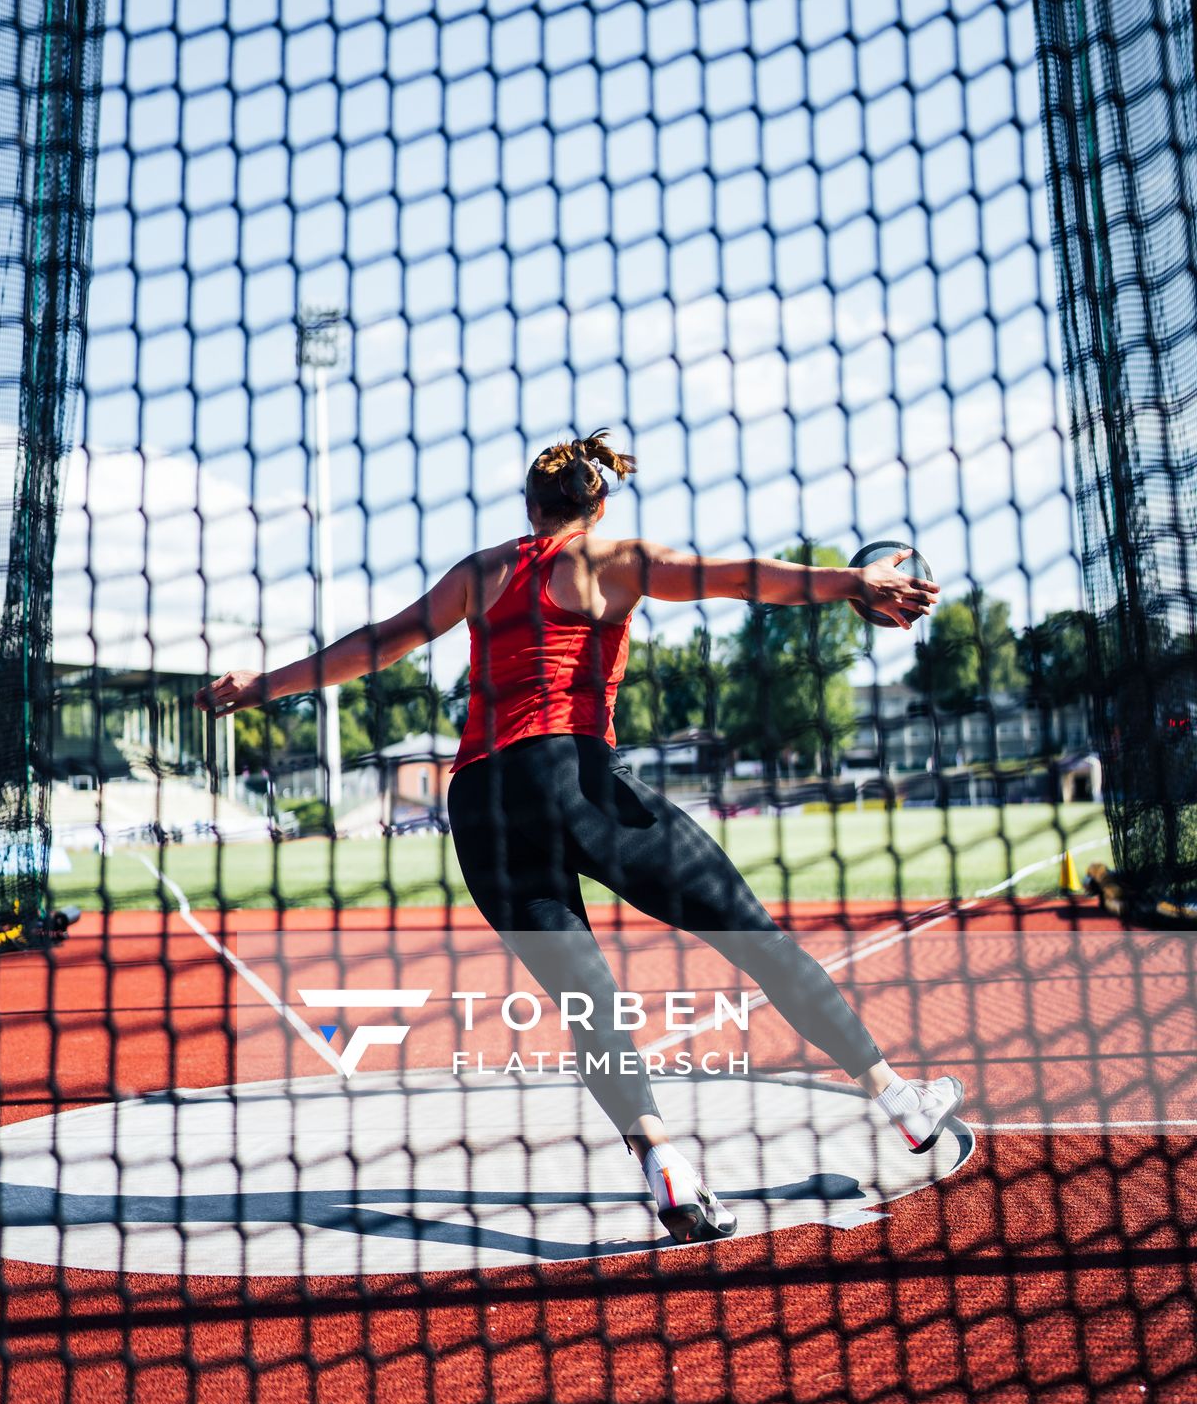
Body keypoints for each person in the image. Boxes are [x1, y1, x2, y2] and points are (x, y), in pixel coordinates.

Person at [195, 431, 963, 1245]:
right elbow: (738, 580)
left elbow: (383, 643)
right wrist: (851, 583)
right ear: (598, 504)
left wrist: (263, 685)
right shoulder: (611, 558)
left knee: (587, 997)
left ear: (530, 506)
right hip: (574, 777)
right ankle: (900, 1107)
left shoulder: (481, 571)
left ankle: (666, 1168)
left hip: (483, 800)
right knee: (756, 940)